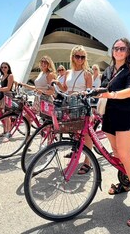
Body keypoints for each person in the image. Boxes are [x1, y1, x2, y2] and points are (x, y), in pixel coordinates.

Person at [97, 38, 130, 228]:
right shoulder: (108, 70)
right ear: (112, 51)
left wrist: (111, 95)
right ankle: (126, 181)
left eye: (122, 48)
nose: (118, 51)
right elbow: (103, 89)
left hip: (125, 115)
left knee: (125, 156)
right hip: (109, 116)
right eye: (116, 48)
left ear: (128, 51)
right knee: (117, 153)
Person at [56, 45, 93, 174]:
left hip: (81, 106)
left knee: (86, 134)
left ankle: (88, 162)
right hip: (70, 106)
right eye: (77, 56)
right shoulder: (68, 72)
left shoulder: (87, 74)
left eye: (83, 57)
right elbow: (65, 88)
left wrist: (82, 93)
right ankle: (77, 155)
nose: (80, 59)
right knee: (76, 133)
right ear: (72, 57)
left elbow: (89, 91)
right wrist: (57, 84)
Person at [0, 62, 14, 140]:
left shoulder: (10, 76)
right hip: (1, 95)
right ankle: (4, 131)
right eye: (2, 67)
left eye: (5, 67)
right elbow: (2, 86)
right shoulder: (3, 76)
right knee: (2, 115)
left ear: (8, 68)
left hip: (7, 96)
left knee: (7, 116)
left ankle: (8, 133)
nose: (3, 69)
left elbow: (8, 88)